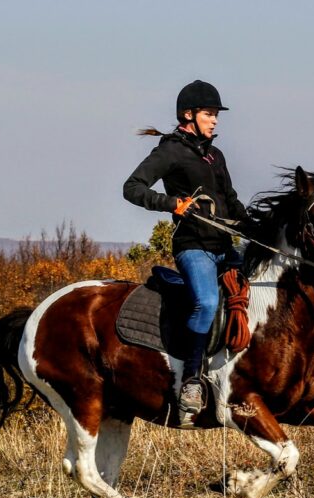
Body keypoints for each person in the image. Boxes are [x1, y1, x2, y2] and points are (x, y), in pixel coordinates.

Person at [123, 79, 250, 417]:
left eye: (215, 115)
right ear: (189, 115)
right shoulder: (170, 151)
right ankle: (191, 380)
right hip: (193, 247)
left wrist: (254, 225)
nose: (216, 120)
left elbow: (231, 201)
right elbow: (132, 188)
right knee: (207, 302)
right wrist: (171, 203)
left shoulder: (214, 154)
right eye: (210, 114)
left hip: (225, 245)